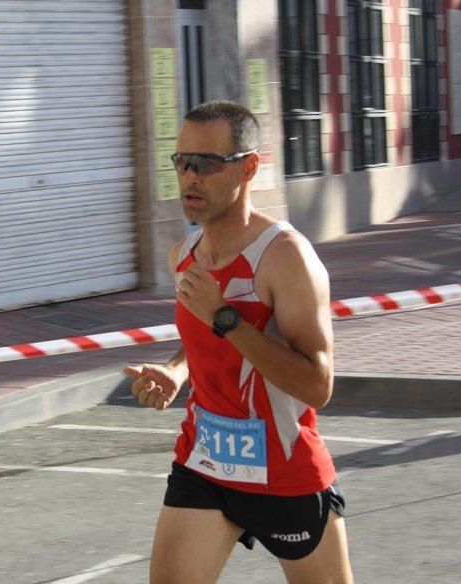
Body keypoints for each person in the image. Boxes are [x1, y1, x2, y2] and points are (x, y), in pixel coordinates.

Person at [124, 101, 353, 584]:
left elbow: (318, 384)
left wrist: (226, 318)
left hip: (285, 471)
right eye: (181, 162)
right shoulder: (183, 256)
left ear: (249, 167)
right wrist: (175, 370)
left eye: (205, 164)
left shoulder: (285, 258)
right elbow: (202, 339)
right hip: (206, 463)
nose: (189, 177)